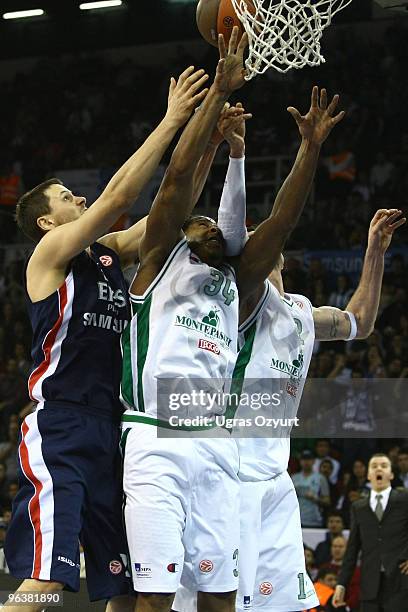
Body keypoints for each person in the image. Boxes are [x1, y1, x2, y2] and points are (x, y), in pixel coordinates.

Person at [4, 65, 210, 612]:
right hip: (61, 424)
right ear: (48, 223)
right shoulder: (48, 257)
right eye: (68, 197)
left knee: (122, 587)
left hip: (111, 430)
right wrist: (172, 119)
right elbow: (119, 197)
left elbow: (170, 210)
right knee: (46, 589)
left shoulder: (108, 254)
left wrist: (206, 137)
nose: (79, 198)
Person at [173, 85, 346, 612]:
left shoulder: (237, 294)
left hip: (241, 461)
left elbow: (249, 226)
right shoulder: (172, 275)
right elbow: (187, 204)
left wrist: (239, 152)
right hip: (189, 450)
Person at [333, 453, 408, 611]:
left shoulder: (404, 500)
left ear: (391, 474)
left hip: (400, 583)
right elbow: (352, 550)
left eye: (384, 466)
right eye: (374, 466)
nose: (378, 469)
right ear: (368, 475)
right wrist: (341, 584)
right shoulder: (358, 507)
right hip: (369, 586)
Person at [293, 450, 331, 528]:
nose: (306, 462)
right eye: (304, 459)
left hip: (315, 519)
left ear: (313, 461)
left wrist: (315, 498)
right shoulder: (294, 478)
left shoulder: (321, 478)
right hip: (297, 519)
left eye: (309, 459)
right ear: (300, 461)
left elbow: (327, 501)